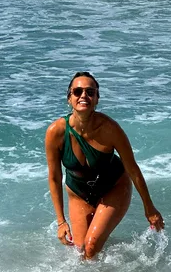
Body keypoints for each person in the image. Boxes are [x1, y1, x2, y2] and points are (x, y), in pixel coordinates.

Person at [45, 71, 164, 259]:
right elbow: (54, 177)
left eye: (90, 92)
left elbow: (132, 169)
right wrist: (61, 222)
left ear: (97, 99)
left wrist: (149, 207)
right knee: (80, 252)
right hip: (79, 193)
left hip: (113, 186)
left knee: (91, 247)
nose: (84, 96)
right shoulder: (56, 132)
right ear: (69, 98)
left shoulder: (110, 129)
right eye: (77, 91)